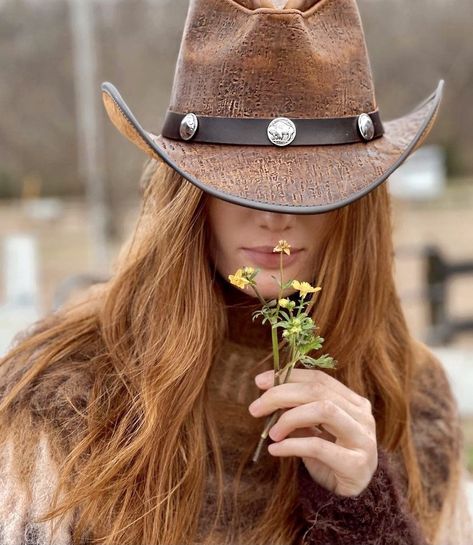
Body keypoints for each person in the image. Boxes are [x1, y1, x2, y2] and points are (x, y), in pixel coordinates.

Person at [1, 0, 472, 544]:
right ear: (189, 197)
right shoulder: (66, 391)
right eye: (238, 185)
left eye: (311, 190)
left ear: (356, 208)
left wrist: (364, 515)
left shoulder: (411, 398)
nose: (274, 218)